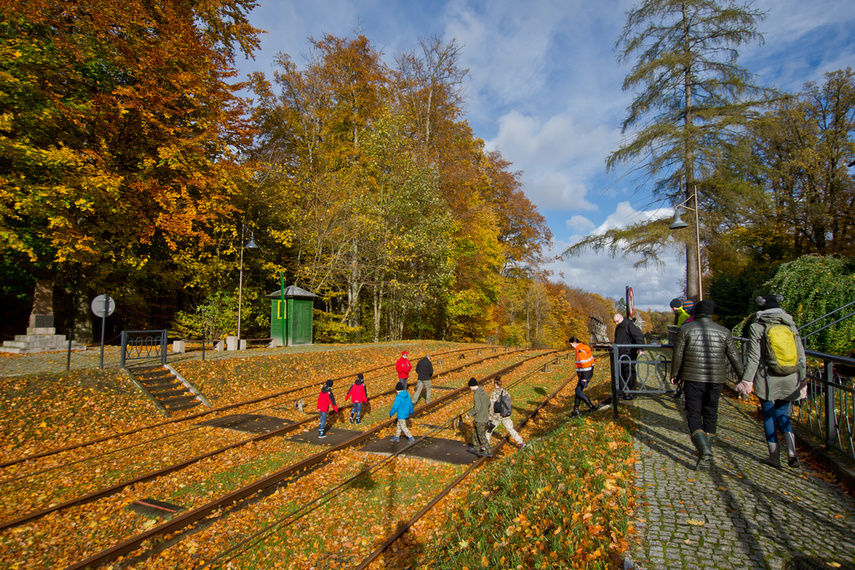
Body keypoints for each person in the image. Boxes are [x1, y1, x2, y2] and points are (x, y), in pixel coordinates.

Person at [670, 299, 744, 470]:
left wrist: (675, 374)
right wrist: (743, 378)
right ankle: (707, 450)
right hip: (716, 380)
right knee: (711, 413)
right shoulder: (724, 332)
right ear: (711, 313)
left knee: (693, 414)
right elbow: (734, 356)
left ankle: (705, 451)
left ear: (695, 312)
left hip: (693, 377)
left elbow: (678, 354)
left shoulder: (686, 329)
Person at [736, 294, 807, 469]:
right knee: (783, 412)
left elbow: (754, 357)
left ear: (761, 309)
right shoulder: (790, 324)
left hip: (767, 378)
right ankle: (792, 452)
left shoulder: (757, 326)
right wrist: (803, 379)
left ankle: (774, 457)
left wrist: (747, 380)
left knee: (768, 415)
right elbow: (801, 356)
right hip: (790, 376)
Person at [486, 376, 525, 449]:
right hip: (506, 415)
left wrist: (489, 418)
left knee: (489, 430)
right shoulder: (505, 392)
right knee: (511, 429)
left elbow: (491, 407)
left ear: (495, 384)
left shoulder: (494, 394)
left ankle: (485, 445)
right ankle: (521, 442)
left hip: (497, 416)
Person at [613, 313, 645, 399]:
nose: (616, 323)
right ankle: (621, 392)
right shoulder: (619, 327)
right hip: (620, 353)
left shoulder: (629, 325)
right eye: (615, 322)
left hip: (629, 353)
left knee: (629, 372)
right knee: (620, 372)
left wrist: (640, 347)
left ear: (621, 318)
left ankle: (632, 393)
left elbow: (638, 336)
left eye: (617, 321)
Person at [568, 336, 600, 417]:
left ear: (574, 343)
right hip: (586, 373)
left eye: (571, 344)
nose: (571, 346)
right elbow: (591, 362)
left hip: (584, 375)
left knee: (578, 391)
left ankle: (591, 407)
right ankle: (576, 410)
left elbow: (585, 365)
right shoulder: (584, 348)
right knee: (578, 391)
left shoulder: (580, 351)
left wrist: (585, 378)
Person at [466, 377, 492, 457]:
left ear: (472, 386)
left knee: (481, 435)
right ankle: (476, 447)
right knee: (475, 433)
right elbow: (488, 403)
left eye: (470, 387)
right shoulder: (482, 391)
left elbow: (476, 408)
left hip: (480, 418)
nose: (470, 388)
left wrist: (469, 414)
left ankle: (489, 451)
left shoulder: (476, 394)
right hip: (484, 416)